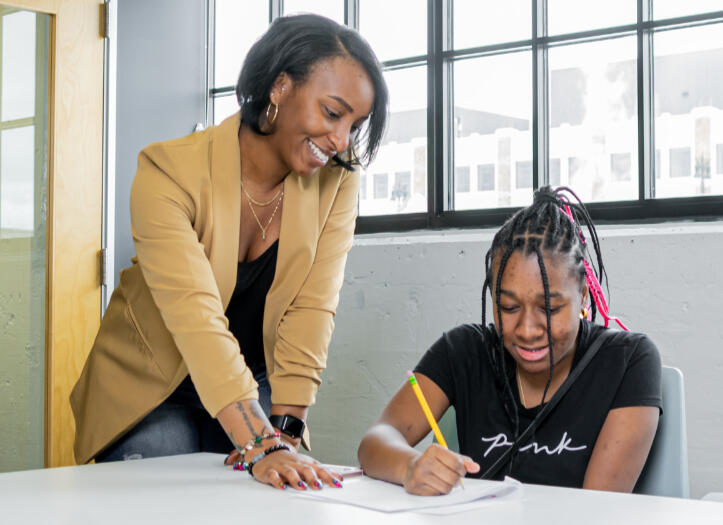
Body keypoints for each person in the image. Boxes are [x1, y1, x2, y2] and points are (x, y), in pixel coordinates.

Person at [70, 14, 388, 491]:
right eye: (332, 113)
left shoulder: (337, 181)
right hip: (153, 390)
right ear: (280, 86)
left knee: (275, 497)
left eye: (354, 125)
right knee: (169, 488)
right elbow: (196, 319)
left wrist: (284, 433)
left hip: (253, 382)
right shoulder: (166, 171)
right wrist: (260, 444)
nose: (342, 140)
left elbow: (313, 307)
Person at [358, 186, 662, 495]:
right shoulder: (464, 352)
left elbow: (597, 505)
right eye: (508, 307)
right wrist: (410, 465)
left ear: (583, 296)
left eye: (549, 309)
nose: (527, 330)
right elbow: (375, 442)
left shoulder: (627, 361)